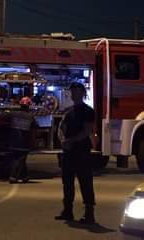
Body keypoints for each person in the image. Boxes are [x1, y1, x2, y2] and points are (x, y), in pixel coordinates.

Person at [55, 82, 96, 224]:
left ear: (83, 93)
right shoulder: (68, 111)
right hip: (68, 152)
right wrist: (63, 140)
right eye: (72, 92)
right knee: (67, 183)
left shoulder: (88, 111)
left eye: (77, 92)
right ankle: (67, 211)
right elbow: (60, 127)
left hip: (82, 151)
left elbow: (87, 130)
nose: (74, 95)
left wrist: (71, 140)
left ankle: (89, 214)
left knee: (85, 182)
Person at [8, 96, 34, 183]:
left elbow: (3, 116)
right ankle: (13, 177)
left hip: (14, 141)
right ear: (28, 106)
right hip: (24, 144)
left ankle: (25, 176)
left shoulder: (14, 114)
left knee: (19, 159)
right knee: (20, 160)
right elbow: (36, 127)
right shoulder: (30, 117)